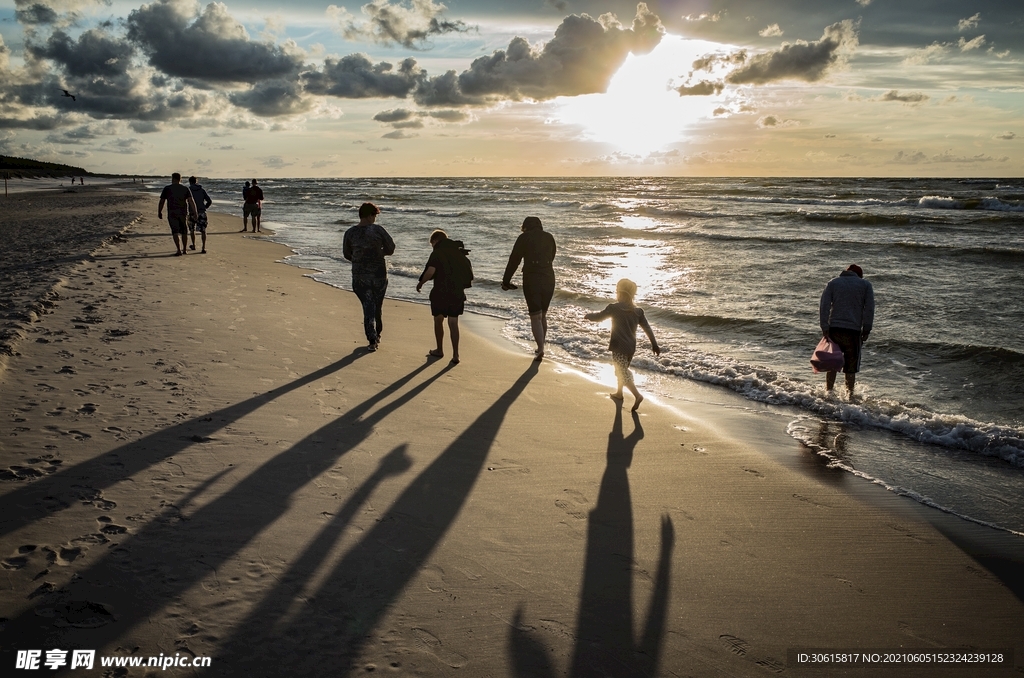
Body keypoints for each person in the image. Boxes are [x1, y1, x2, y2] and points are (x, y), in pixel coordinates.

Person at [585, 278, 661, 411]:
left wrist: (589, 316)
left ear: (620, 293)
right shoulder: (638, 312)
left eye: (616, 292)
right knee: (622, 369)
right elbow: (647, 328)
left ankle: (637, 395)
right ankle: (619, 393)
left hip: (618, 346)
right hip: (631, 348)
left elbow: (599, 317)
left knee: (622, 371)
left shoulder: (614, 308)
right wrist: (654, 344)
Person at [501, 216, 557, 360]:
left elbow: (514, 260)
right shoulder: (549, 237)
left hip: (532, 278)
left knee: (535, 315)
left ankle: (540, 349)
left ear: (525, 227)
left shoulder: (523, 238)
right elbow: (552, 256)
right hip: (549, 277)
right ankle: (541, 347)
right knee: (543, 315)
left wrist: (506, 281)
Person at [342, 202, 395, 351]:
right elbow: (391, 248)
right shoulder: (378, 230)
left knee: (368, 306)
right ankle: (376, 335)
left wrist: (359, 257)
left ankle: (372, 338)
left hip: (359, 275)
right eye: (375, 215)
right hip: (379, 274)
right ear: (371, 215)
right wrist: (378, 253)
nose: (375, 219)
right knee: (377, 306)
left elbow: (346, 254)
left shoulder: (350, 232)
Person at [819, 263, 875, 396]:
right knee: (850, 367)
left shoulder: (833, 283)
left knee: (832, 364)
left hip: (835, 329)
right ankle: (849, 396)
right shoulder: (865, 285)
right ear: (859, 276)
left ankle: (829, 393)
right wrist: (867, 329)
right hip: (853, 332)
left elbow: (824, 306)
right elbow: (869, 309)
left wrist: (824, 327)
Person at [416, 229, 466, 365]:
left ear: (435, 240)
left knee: (438, 320)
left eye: (432, 243)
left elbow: (430, 271)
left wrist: (420, 283)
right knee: (453, 323)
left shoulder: (437, 252)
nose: (432, 246)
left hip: (440, 291)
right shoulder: (458, 252)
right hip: (457, 291)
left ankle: (439, 349)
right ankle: (455, 355)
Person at [157, 173, 198, 256]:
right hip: (183, 213)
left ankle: (178, 250)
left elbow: (162, 201)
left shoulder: (167, 188)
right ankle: (184, 250)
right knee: (184, 231)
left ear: (173, 178)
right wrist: (195, 212)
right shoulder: (185, 188)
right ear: (180, 179)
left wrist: (159, 211)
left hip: (172, 213)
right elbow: (191, 201)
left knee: (175, 231)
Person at [187, 176, 213, 254]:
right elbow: (209, 201)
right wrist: (205, 207)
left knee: (192, 229)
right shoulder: (202, 190)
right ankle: (203, 247)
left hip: (192, 212)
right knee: (203, 230)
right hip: (201, 212)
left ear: (190, 182)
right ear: (196, 181)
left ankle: (194, 245)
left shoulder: (188, 190)